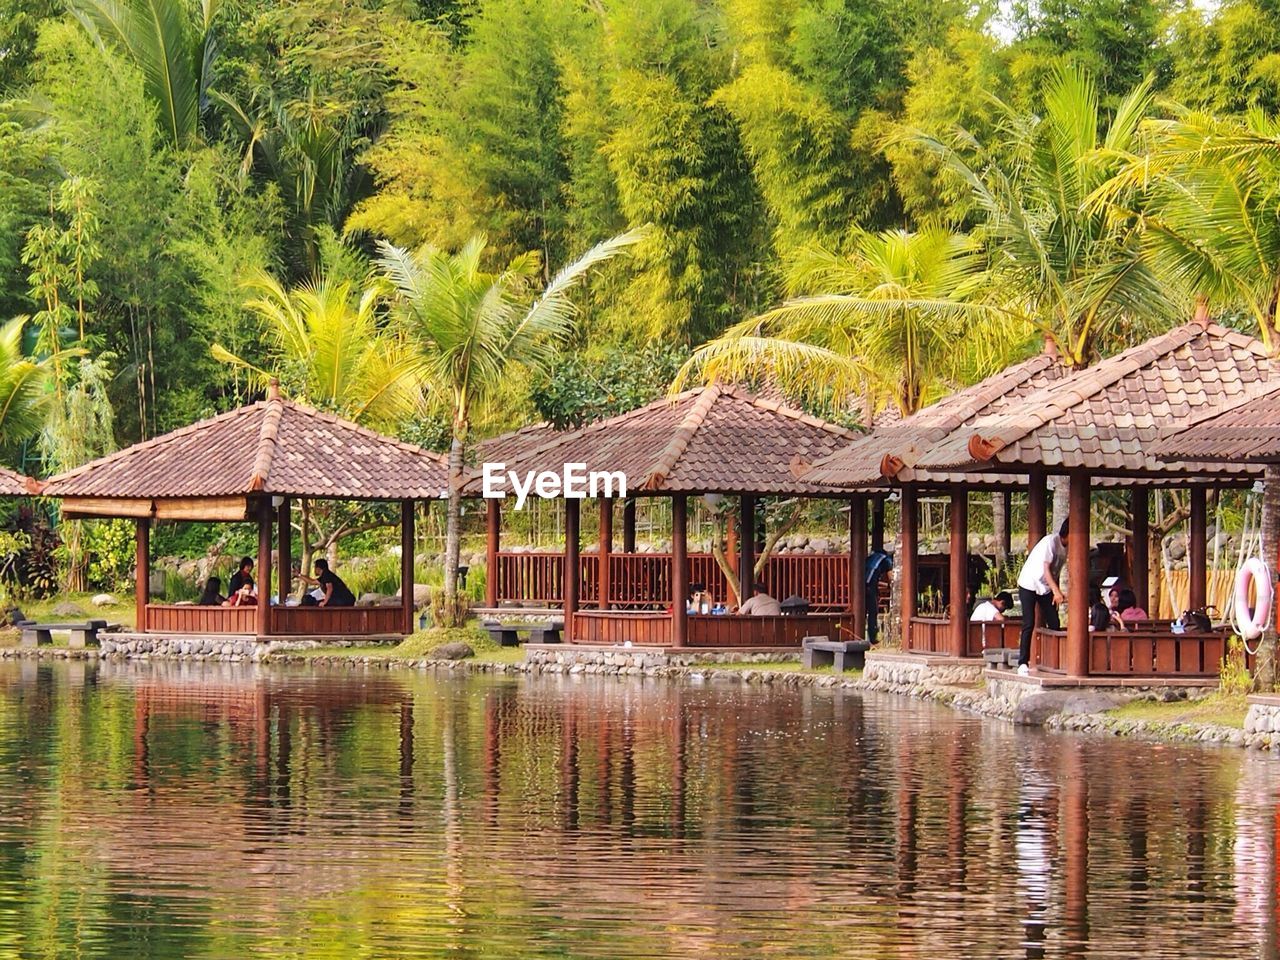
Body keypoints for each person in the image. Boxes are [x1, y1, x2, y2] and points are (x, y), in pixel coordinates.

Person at [1015, 520, 1069, 676]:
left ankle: (1055, 659)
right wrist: (1056, 591)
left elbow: (1055, 571)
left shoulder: (1067, 548)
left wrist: (1055, 590)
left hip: (1045, 587)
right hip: (1029, 583)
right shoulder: (1051, 542)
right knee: (1029, 622)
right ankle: (1023, 662)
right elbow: (1046, 569)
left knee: (1054, 622)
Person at [865, 548, 893, 643]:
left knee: (864, 611)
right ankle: (873, 638)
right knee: (873, 611)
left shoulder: (870, 558)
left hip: (860, 585)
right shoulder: (886, 559)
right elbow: (891, 578)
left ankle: (859, 635)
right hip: (869, 586)